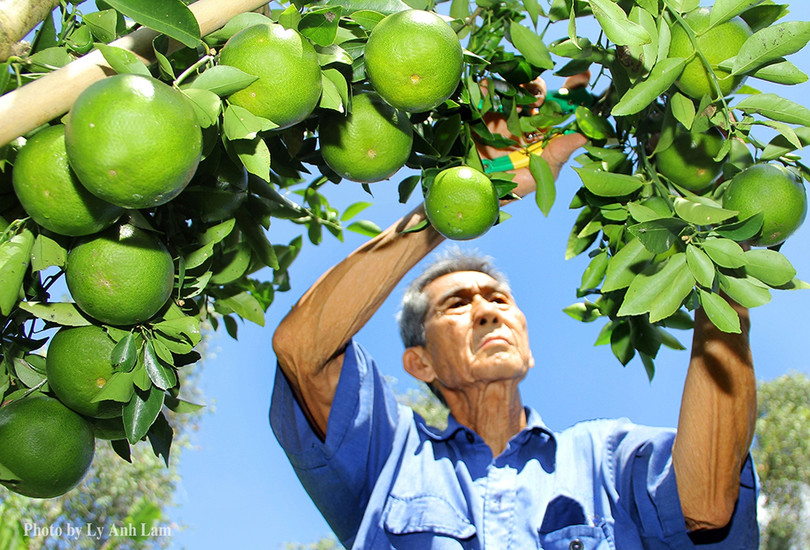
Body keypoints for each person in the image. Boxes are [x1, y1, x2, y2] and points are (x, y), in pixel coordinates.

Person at [269, 74, 759, 549]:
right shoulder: (391, 456)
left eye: (499, 299)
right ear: (420, 362)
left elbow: (706, 505)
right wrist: (464, 195)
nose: (486, 311)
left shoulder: (607, 458)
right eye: (456, 304)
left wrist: (723, 271)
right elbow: (301, 349)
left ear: (525, 336)